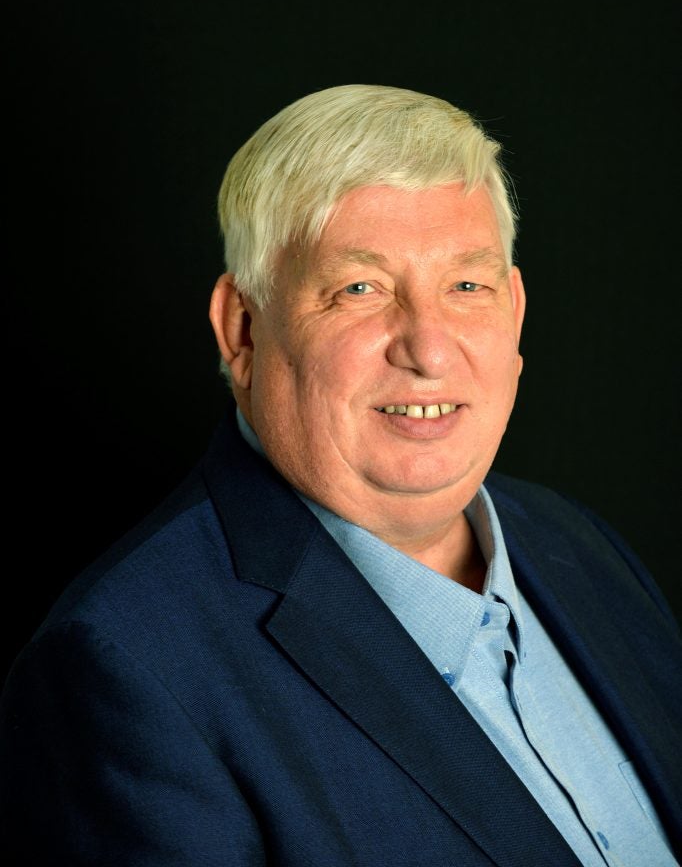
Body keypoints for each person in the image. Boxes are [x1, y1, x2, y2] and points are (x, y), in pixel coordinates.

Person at [1, 85, 680, 866]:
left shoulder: (581, 547)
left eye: (467, 286)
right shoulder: (127, 671)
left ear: (516, 313)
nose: (428, 349)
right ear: (242, 329)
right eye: (361, 290)